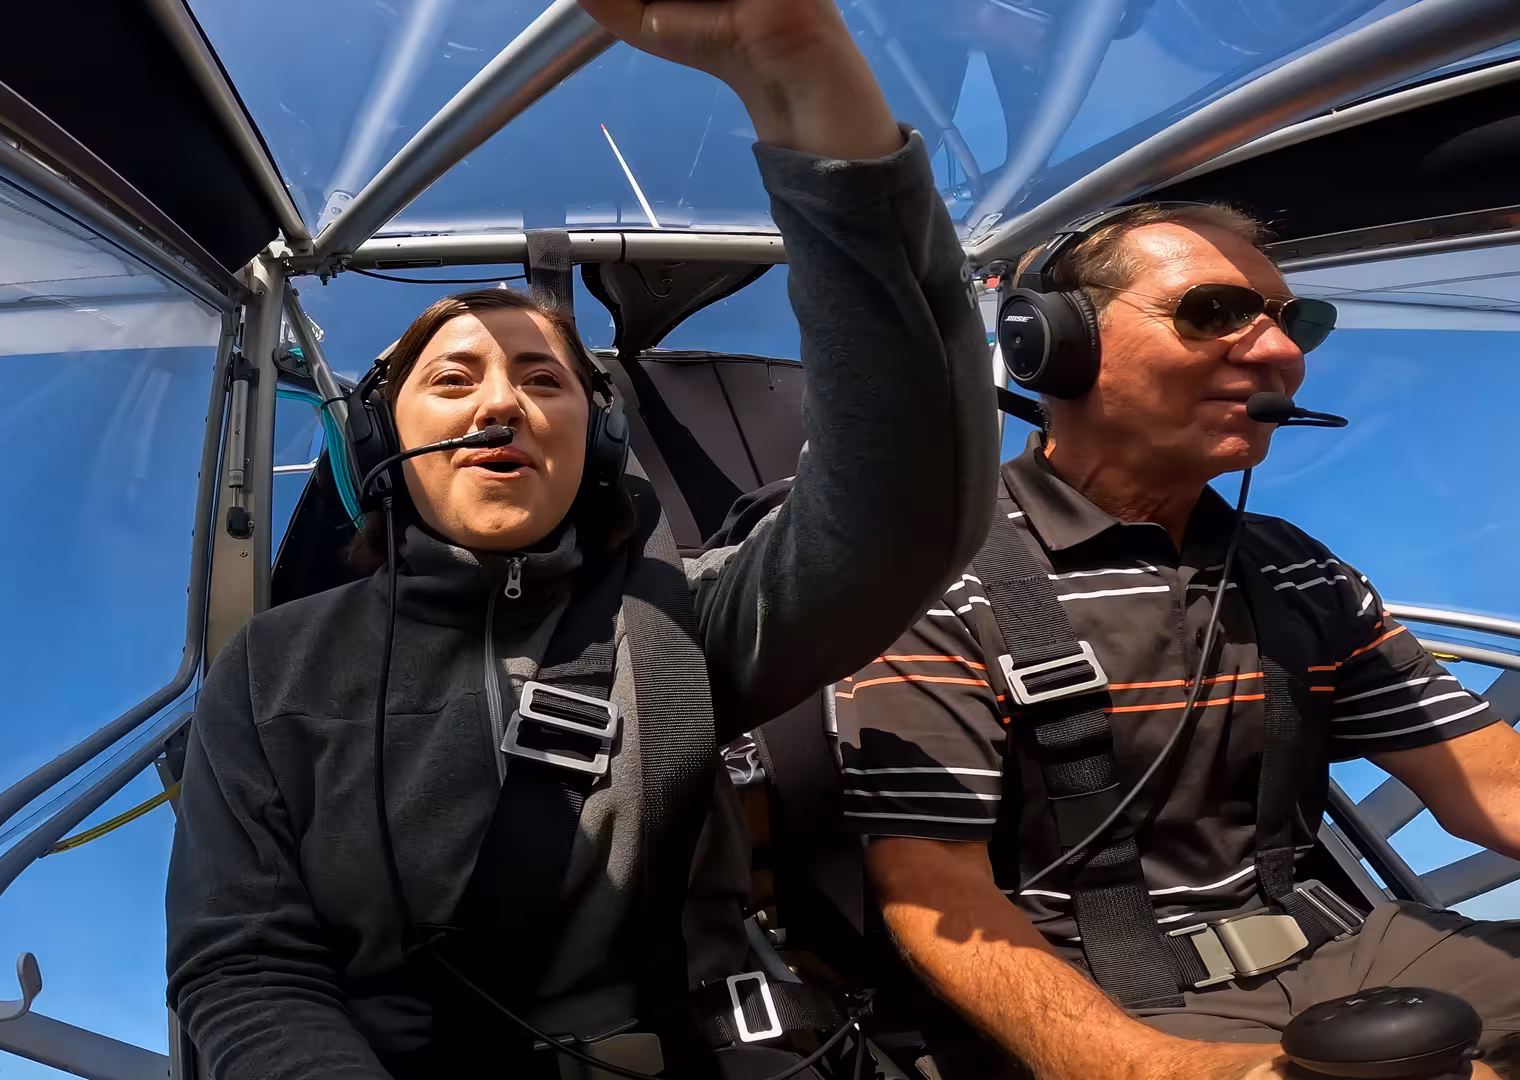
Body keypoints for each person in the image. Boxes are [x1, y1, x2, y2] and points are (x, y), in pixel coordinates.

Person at [164, 1, 1000, 1078]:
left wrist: (799, 74)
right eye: (453, 379)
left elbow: (907, 507)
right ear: (382, 434)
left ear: (598, 442)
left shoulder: (685, 618)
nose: (499, 406)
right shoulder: (269, 673)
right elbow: (246, 969)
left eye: (543, 380)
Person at [840, 201, 1520, 1080]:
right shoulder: (930, 572)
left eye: (1293, 323)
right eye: (1214, 312)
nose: (1283, 354)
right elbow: (935, 894)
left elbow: (1492, 786)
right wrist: (1162, 1070)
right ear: (1055, 345)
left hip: (1353, 957)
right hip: (1112, 1006)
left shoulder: (1294, 569)